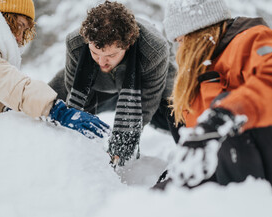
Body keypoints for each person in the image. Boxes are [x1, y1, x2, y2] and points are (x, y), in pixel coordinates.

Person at [154, 0, 272, 197]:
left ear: (197, 32)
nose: (179, 50)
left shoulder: (252, 40)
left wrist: (224, 114)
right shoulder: (197, 80)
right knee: (160, 197)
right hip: (242, 165)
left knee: (234, 117)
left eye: (181, 41)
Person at [49, 1, 177, 166]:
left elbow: (145, 104)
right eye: (95, 53)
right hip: (96, 84)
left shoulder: (154, 50)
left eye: (110, 55)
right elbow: (76, 100)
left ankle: (192, 152)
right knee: (52, 102)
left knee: (177, 109)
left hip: (142, 83)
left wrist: (122, 145)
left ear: (128, 44)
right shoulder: (75, 44)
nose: (102, 62)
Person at [0, 0, 109, 139]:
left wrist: (20, 112)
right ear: (2, 15)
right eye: (19, 26)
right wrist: (57, 110)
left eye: (24, 31)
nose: (19, 38)